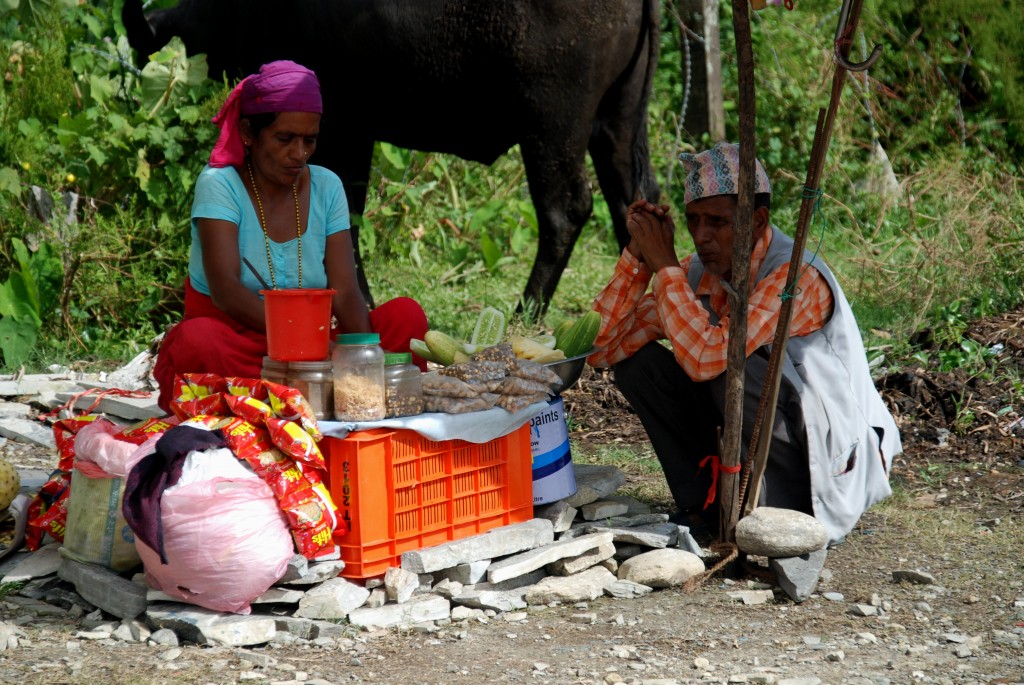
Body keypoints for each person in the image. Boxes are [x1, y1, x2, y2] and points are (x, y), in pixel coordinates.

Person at [587, 142, 900, 544]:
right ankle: (704, 505)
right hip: (751, 433)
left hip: (825, 449)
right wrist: (637, 256)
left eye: (716, 221)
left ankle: (774, 511)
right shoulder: (699, 269)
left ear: (756, 221)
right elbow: (601, 349)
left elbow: (707, 359)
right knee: (638, 365)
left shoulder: (794, 276)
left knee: (736, 364)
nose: (701, 236)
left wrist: (663, 266)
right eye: (693, 220)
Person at [153, 60, 427, 413]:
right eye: (285, 139)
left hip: (318, 350)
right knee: (197, 342)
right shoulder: (220, 184)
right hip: (243, 344)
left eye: (309, 140)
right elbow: (226, 292)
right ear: (249, 133)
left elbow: (344, 291)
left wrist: (362, 365)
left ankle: (304, 398)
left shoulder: (327, 186)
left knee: (405, 317)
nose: (298, 153)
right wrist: (311, 350)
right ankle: (299, 397)